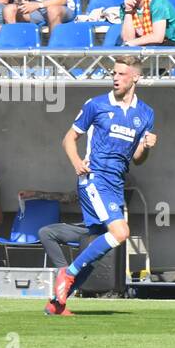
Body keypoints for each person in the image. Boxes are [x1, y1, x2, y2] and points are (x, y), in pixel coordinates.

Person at [49, 57, 157, 316]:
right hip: (94, 178)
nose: (115, 78)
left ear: (135, 77)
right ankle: (68, 273)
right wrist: (76, 162)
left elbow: (138, 160)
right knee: (120, 233)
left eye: (121, 73)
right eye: (113, 73)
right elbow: (69, 138)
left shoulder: (146, 114)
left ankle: (57, 304)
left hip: (116, 184)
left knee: (98, 248)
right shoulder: (96, 105)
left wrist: (146, 147)